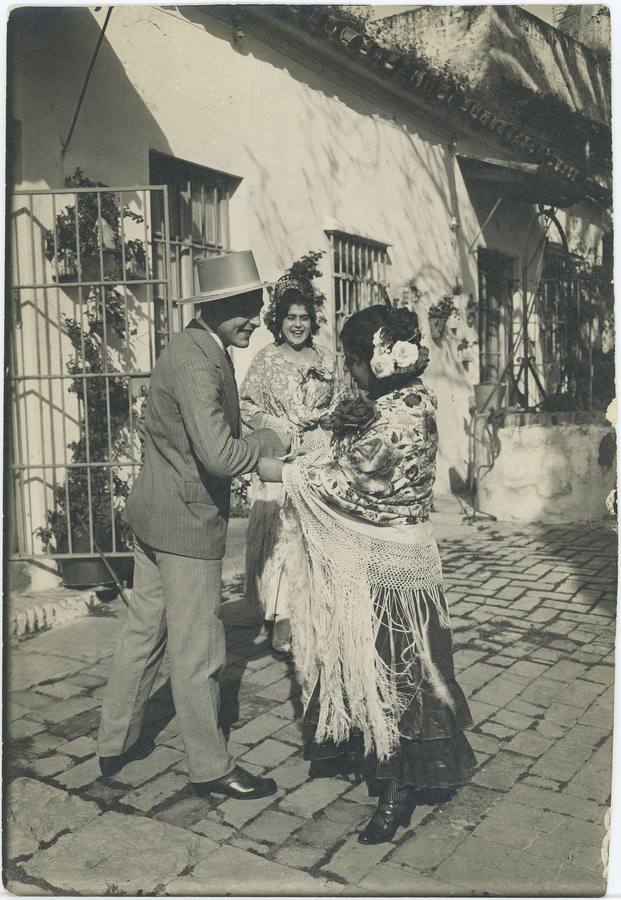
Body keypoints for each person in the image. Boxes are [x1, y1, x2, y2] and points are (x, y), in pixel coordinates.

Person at [257, 303, 476, 843]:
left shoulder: (396, 416)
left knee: (399, 675)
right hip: (408, 559)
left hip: (391, 570)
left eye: (353, 363)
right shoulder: (411, 397)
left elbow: (347, 479)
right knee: (405, 669)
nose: (350, 373)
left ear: (377, 361)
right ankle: (387, 765)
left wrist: (279, 470)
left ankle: (398, 789)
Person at [98, 251, 290, 801]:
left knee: (143, 632)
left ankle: (114, 744)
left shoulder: (197, 347)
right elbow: (221, 457)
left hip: (156, 513)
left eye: (257, 305)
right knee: (200, 649)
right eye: (244, 309)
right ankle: (210, 766)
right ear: (216, 306)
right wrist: (270, 444)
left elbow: (202, 429)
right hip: (185, 522)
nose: (255, 318)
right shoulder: (199, 359)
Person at [239, 273, 342, 654]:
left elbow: (339, 404)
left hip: (316, 456)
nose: (298, 324)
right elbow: (246, 404)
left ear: (312, 321)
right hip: (279, 456)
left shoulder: (327, 361)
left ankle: (314, 611)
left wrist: (324, 427)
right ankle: (281, 615)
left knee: (313, 535)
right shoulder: (266, 360)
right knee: (282, 534)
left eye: (303, 317)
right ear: (278, 322)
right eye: (290, 318)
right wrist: (278, 428)